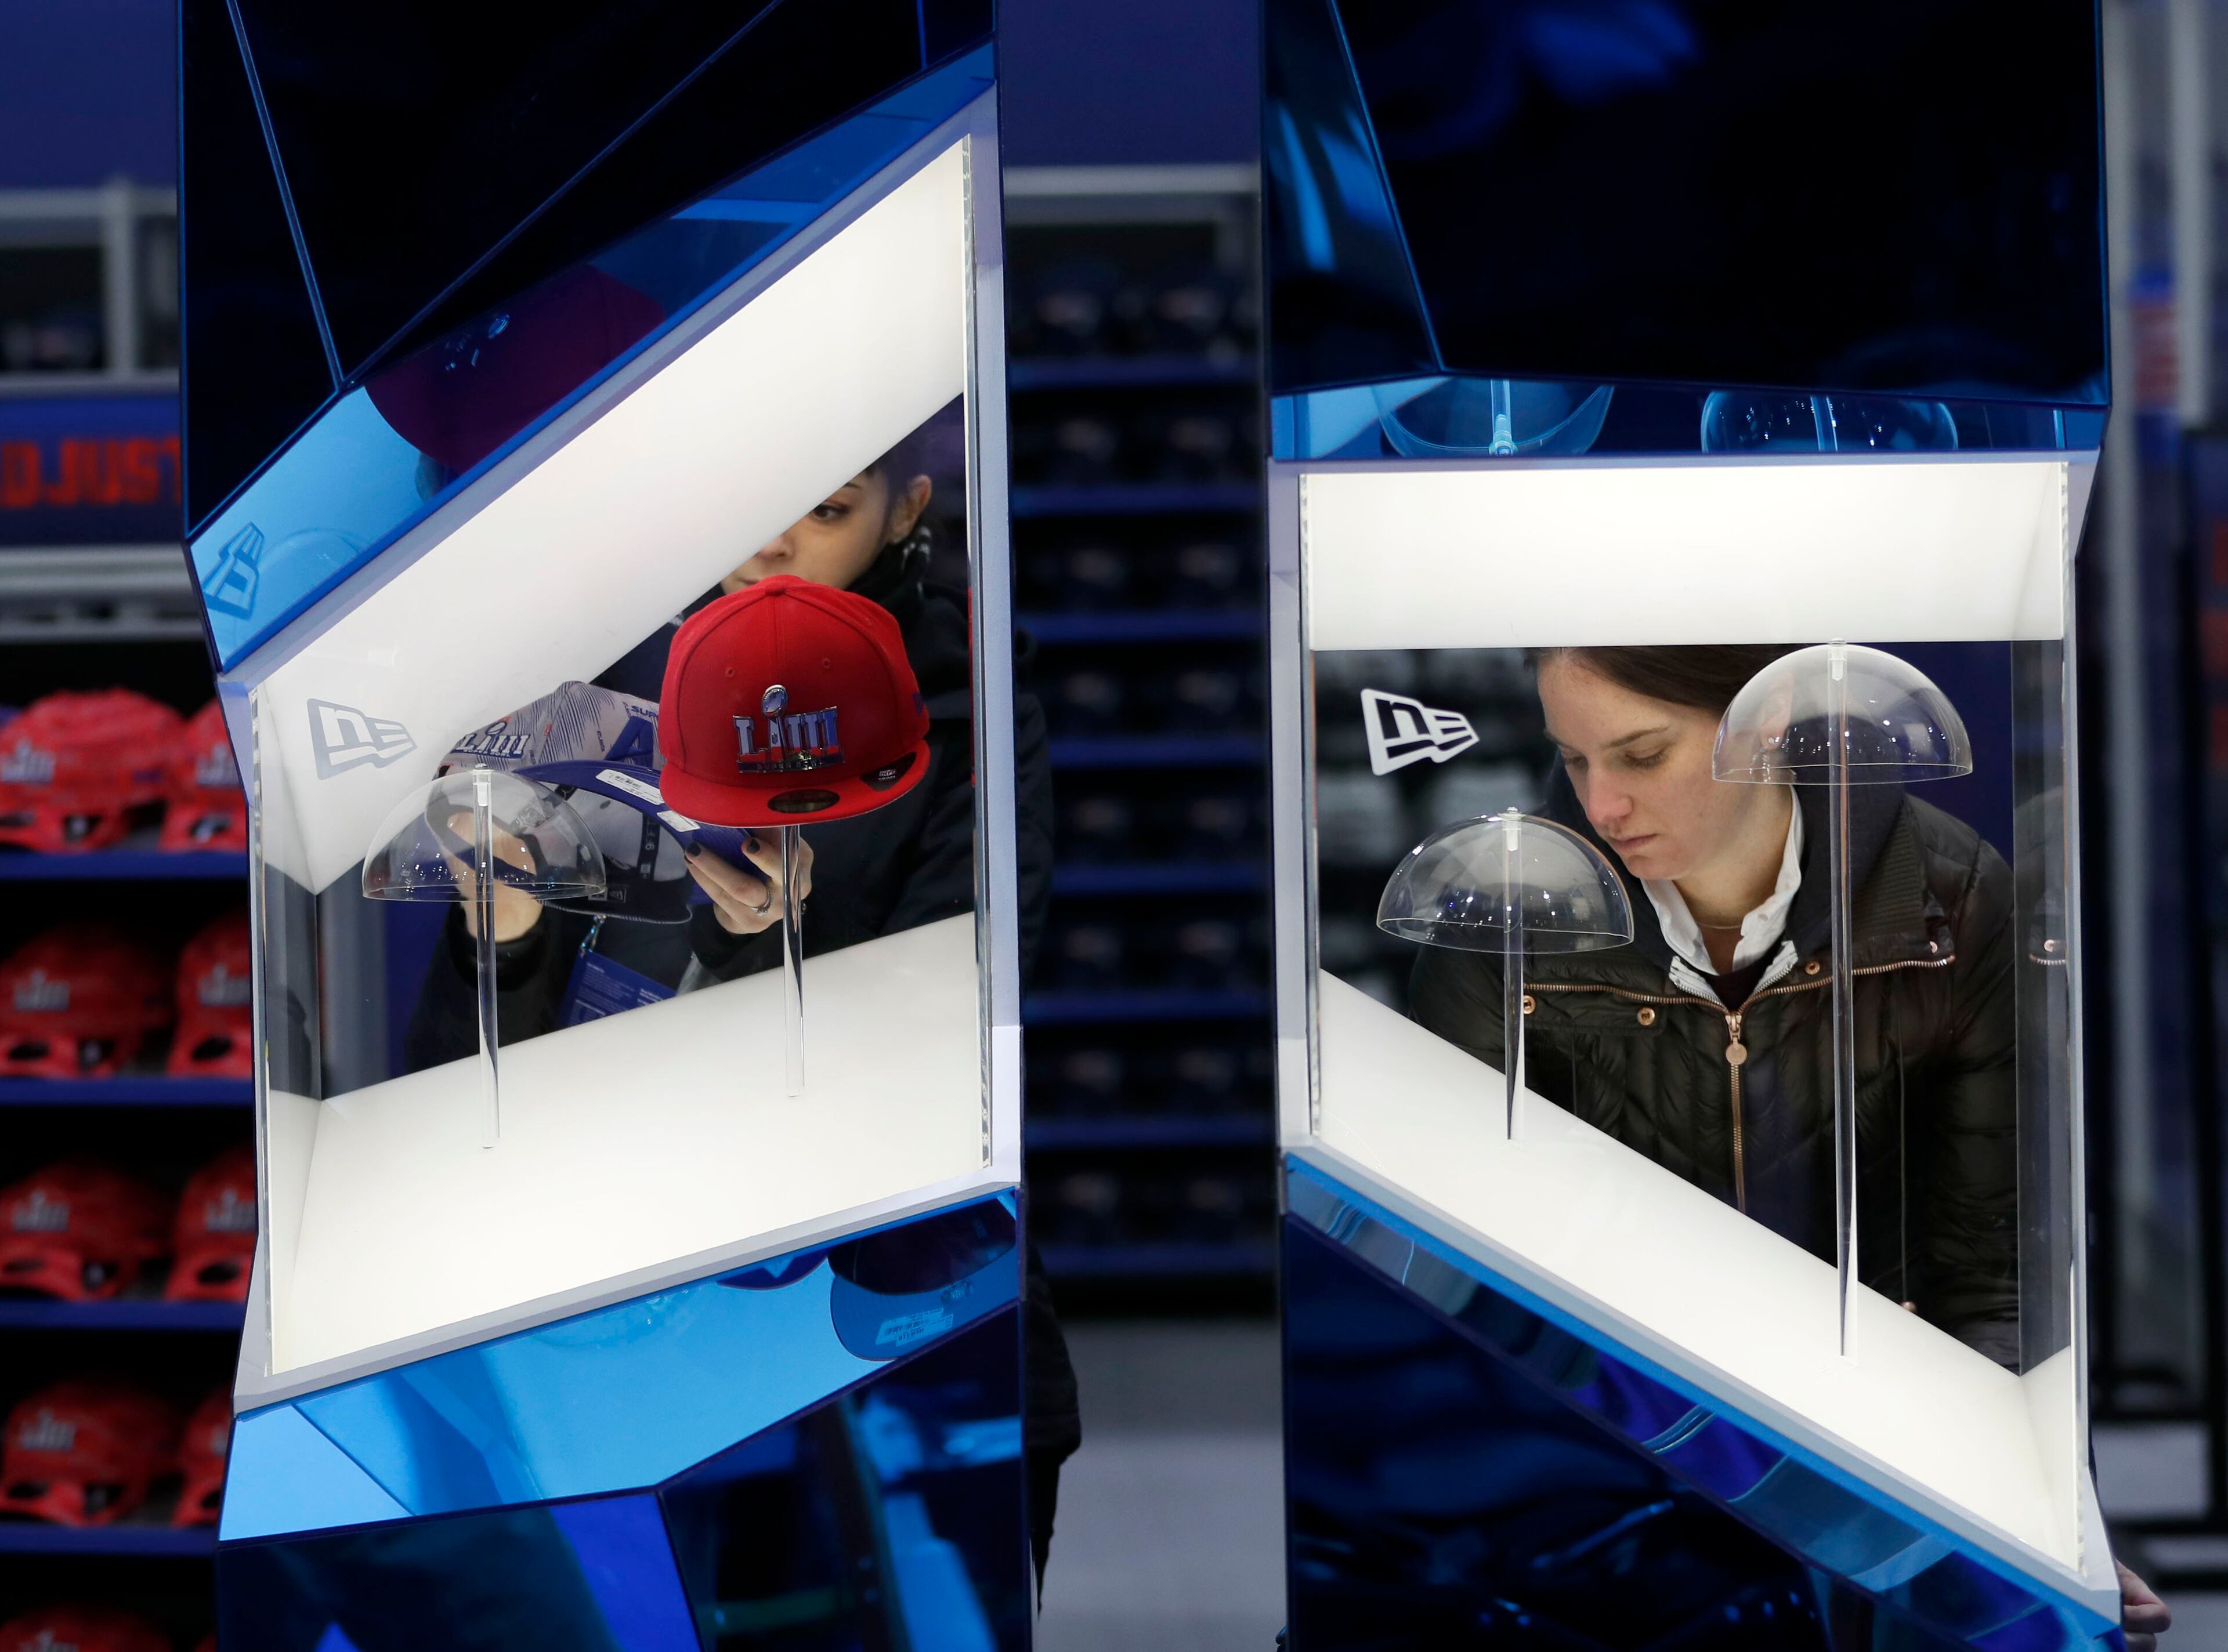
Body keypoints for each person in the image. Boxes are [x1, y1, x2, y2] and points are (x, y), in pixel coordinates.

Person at [401, 434, 1078, 1588]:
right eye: (742, 501)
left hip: (875, 1300)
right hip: (615, 1319)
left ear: (906, 507)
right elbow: (464, 1088)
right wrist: (502, 935)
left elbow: (940, 1042)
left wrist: (756, 947)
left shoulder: (964, 707)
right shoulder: (595, 698)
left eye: (824, 506)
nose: (772, 543)